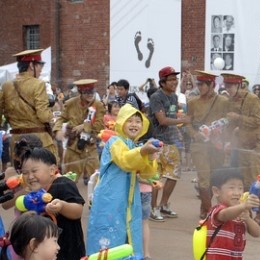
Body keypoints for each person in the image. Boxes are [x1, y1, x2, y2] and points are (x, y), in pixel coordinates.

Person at [86, 105, 160, 257]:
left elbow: (148, 174)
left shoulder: (136, 145)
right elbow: (125, 160)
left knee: (128, 236)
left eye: (138, 121)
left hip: (129, 201)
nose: (134, 124)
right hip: (110, 200)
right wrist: (143, 152)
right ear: (121, 123)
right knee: (108, 239)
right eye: (129, 120)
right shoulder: (115, 142)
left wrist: (151, 158)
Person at [19, 147, 86, 259]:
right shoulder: (34, 193)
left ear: (52, 170)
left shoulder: (63, 184)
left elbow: (77, 211)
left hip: (68, 250)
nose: (30, 177)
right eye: (25, 173)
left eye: (34, 171)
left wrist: (62, 206)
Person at [221, 73, 260, 226]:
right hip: (241, 144)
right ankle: (247, 212)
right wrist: (227, 140)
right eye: (226, 86)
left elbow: (258, 121)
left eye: (230, 86)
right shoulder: (230, 101)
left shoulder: (252, 99)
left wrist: (238, 117)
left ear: (239, 85)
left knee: (258, 179)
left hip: (255, 145)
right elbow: (230, 124)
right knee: (246, 181)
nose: (228, 89)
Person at [0, 49, 59, 163]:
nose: (41, 70)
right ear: (31, 66)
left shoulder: (7, 86)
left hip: (17, 141)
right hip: (39, 140)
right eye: (39, 65)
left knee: (21, 175)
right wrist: (53, 118)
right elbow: (43, 115)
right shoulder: (38, 84)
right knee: (46, 174)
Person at [148, 66, 190, 221]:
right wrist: (181, 120)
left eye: (175, 79)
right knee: (155, 177)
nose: (175, 82)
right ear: (162, 82)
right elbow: (163, 120)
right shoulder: (156, 97)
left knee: (174, 175)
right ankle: (153, 208)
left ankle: (164, 205)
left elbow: (173, 115)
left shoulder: (173, 97)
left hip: (172, 142)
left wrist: (179, 124)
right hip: (157, 143)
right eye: (171, 79)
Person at [186, 71, 229, 219]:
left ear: (212, 85)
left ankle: (205, 207)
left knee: (215, 176)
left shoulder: (223, 101)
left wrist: (221, 132)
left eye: (203, 84)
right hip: (199, 144)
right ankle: (208, 211)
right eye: (198, 84)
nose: (200, 87)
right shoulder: (192, 102)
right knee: (203, 177)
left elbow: (228, 121)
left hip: (216, 144)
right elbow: (188, 122)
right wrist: (194, 134)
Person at [53, 79, 106, 184]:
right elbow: (61, 118)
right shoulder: (71, 103)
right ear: (80, 92)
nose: (90, 95)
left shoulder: (98, 105)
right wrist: (57, 130)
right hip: (73, 147)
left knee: (96, 181)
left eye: (92, 92)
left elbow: (99, 125)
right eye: (87, 92)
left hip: (90, 147)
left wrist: (83, 126)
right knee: (69, 181)